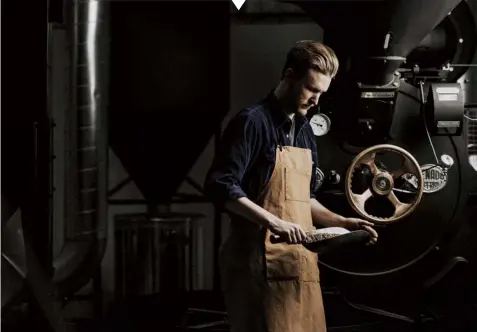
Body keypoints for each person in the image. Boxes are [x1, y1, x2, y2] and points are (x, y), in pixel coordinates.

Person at [204, 40, 379, 332]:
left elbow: (303, 199)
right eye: (311, 90)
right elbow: (220, 186)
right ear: (288, 76)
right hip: (258, 268)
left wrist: (342, 221)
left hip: (300, 268)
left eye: (322, 93)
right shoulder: (252, 123)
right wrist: (275, 223)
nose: (316, 101)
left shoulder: (306, 130)